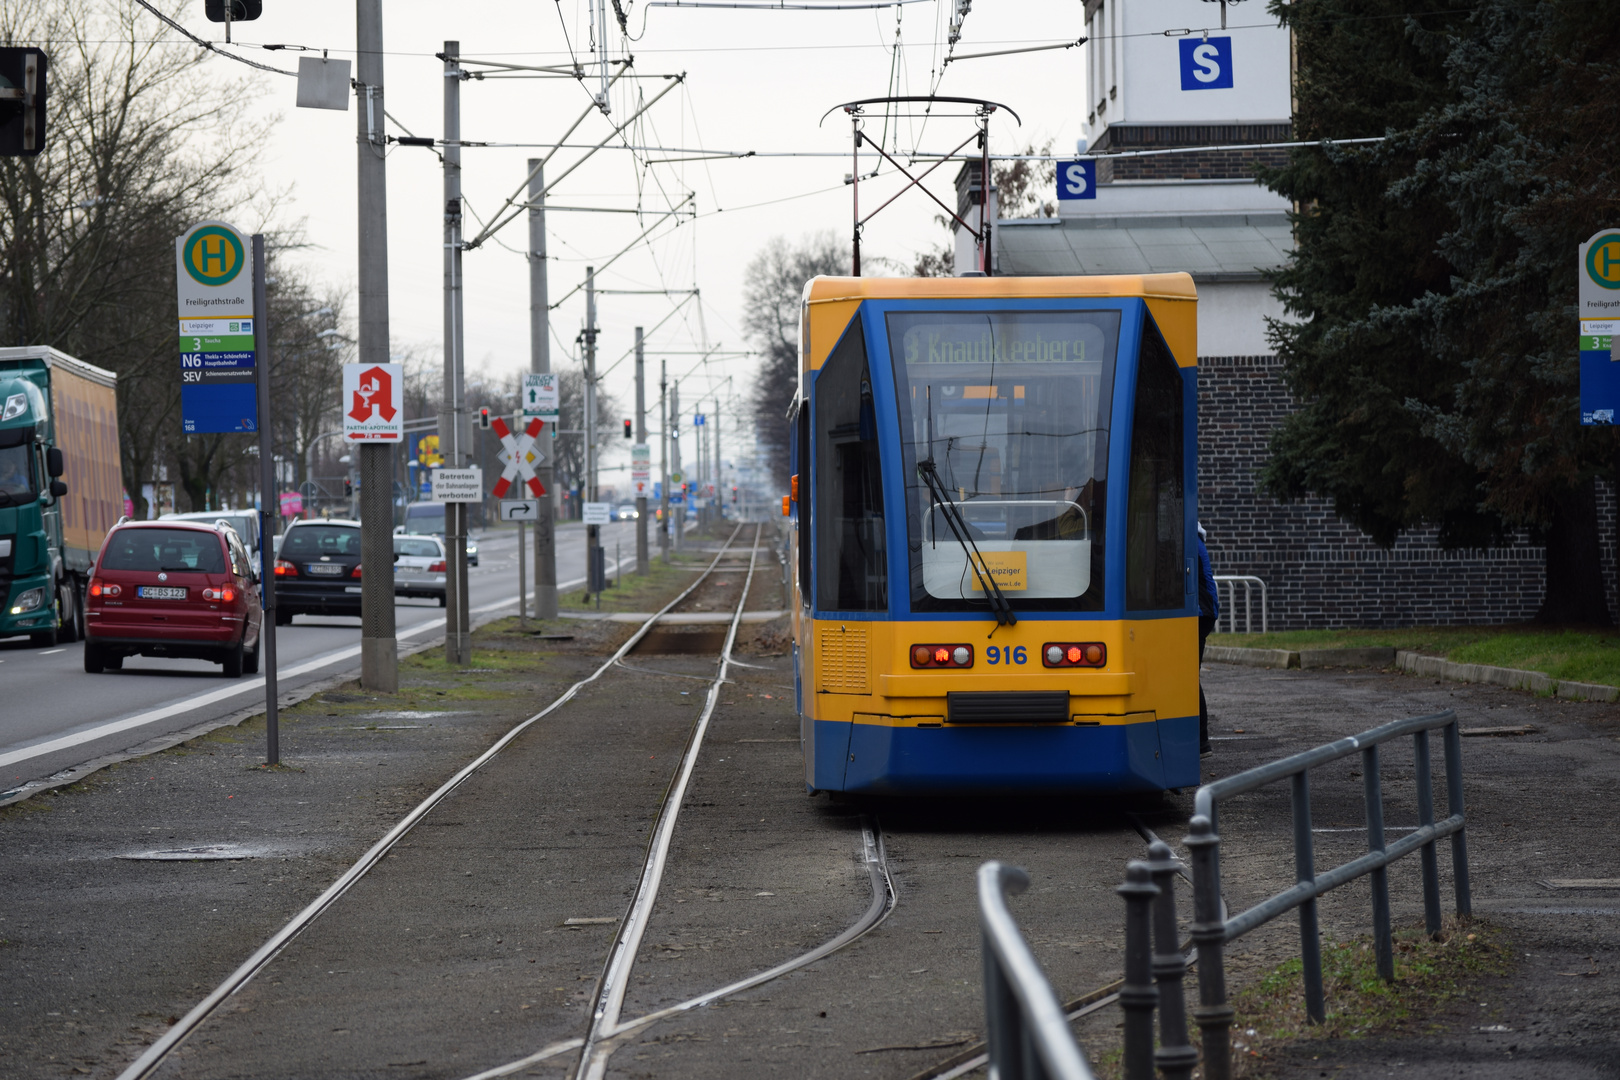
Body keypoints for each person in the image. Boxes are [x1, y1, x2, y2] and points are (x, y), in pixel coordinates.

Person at [1197, 521, 1219, 756]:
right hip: (1202, 612)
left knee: (1188, 676)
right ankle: (1200, 741)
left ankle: (1202, 741)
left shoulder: (1188, 539)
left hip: (1199, 613)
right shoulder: (1194, 537)